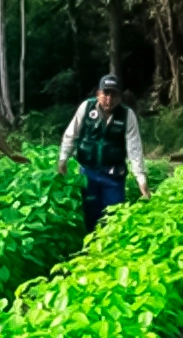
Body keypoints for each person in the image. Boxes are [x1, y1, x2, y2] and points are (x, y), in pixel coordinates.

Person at [58, 74, 151, 232]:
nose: (109, 98)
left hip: (114, 175)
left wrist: (141, 180)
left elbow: (134, 148)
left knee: (115, 215)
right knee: (91, 214)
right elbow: (71, 134)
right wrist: (63, 159)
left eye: (114, 94)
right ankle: (91, 251)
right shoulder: (86, 108)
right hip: (88, 173)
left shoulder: (127, 115)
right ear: (98, 94)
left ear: (120, 97)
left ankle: (112, 251)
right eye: (105, 93)